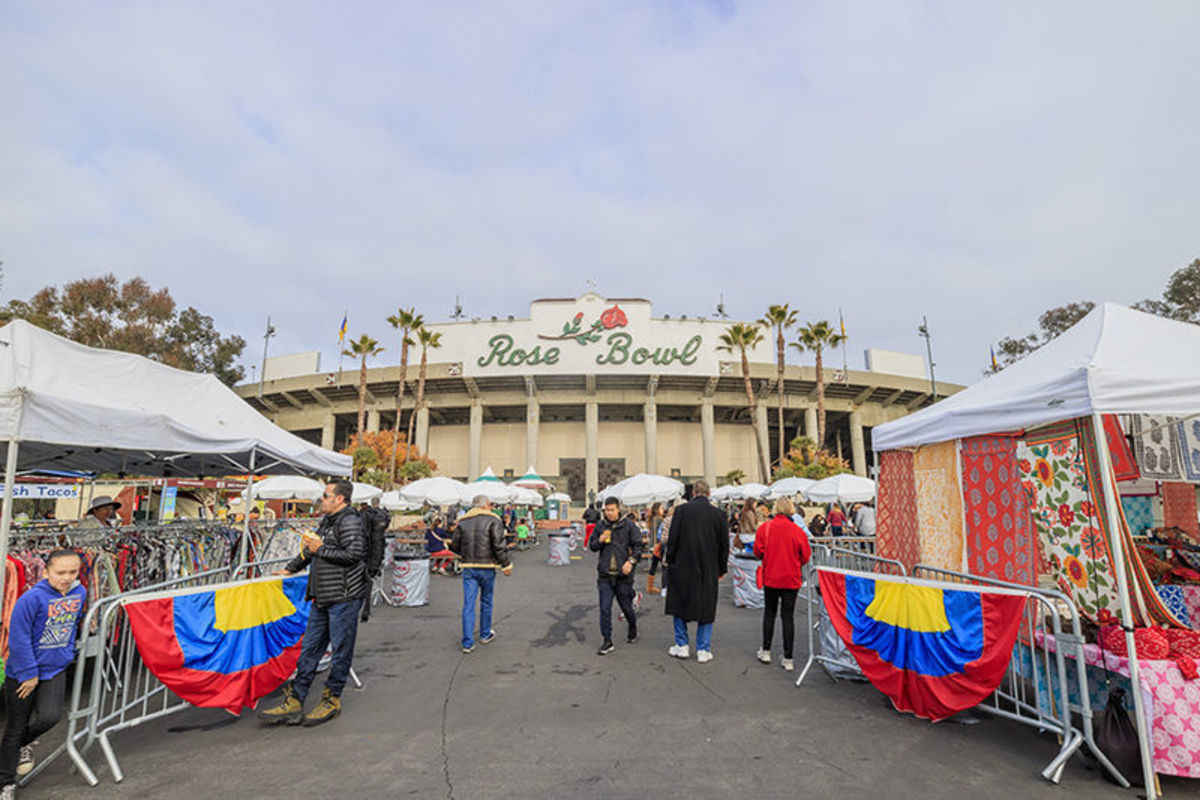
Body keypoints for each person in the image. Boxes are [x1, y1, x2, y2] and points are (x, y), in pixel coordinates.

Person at [260, 480, 367, 727]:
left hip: (344, 597)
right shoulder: (329, 521)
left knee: (341, 650)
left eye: (326, 495)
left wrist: (321, 550)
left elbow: (354, 555)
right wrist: (289, 569)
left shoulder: (350, 521)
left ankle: (332, 698)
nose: (322, 499)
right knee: (309, 648)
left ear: (339, 499)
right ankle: (296, 698)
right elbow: (311, 550)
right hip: (323, 596)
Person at [1, 550, 86, 796]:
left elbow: (72, 626)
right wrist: (29, 673)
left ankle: (18, 747)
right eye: (61, 572)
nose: (67, 577)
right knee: (15, 727)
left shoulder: (79, 593)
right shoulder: (31, 599)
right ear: (46, 572)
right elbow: (18, 637)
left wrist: (67, 653)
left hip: (55, 668)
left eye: (73, 572)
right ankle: (6, 782)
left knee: (50, 717)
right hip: (23, 672)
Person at [664, 481, 729, 663]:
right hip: (708, 567)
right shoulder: (719, 514)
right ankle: (703, 648)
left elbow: (673, 540)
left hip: (682, 565)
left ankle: (682, 645)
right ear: (708, 493)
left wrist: (669, 560)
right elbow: (724, 545)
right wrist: (721, 568)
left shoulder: (681, 511)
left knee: (679, 604)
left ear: (693, 493)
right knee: (707, 606)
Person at [753, 498, 812, 672]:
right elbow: (806, 555)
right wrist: (795, 562)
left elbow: (758, 550)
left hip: (771, 575)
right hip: (791, 577)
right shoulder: (797, 530)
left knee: (769, 613)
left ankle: (766, 650)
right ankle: (788, 657)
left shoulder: (766, 528)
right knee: (788, 617)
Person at [449, 496, 512, 653]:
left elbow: (454, 545)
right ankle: (485, 634)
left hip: (469, 566)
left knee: (468, 604)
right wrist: (505, 564)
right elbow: (498, 545)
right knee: (486, 601)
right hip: (487, 566)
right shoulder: (493, 519)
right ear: (486, 505)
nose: (491, 507)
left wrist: (464, 554)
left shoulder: (463, 521)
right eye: (491, 504)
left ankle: (467, 643)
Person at [589, 497, 642, 655]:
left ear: (618, 510)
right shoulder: (601, 525)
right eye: (606, 510)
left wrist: (631, 562)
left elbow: (639, 546)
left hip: (623, 576)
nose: (609, 513)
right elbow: (592, 546)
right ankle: (607, 641)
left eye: (612, 510)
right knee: (605, 609)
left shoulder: (629, 526)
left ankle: (632, 627)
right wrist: (599, 540)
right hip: (605, 575)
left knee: (626, 607)